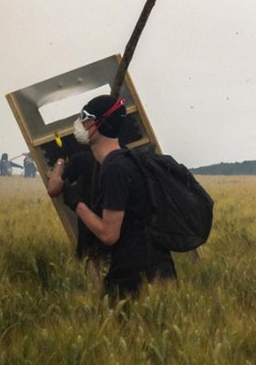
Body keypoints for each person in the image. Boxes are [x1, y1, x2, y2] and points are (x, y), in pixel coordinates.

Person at [59, 95, 175, 298]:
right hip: (158, 267)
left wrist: (76, 203)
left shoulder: (114, 169)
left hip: (133, 275)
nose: (79, 124)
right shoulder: (129, 159)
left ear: (97, 124)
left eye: (84, 118)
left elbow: (109, 234)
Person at [46, 142, 106, 268]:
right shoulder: (121, 155)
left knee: (92, 264)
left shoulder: (82, 159)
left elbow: (53, 189)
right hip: (122, 229)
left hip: (91, 229)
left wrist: (60, 160)